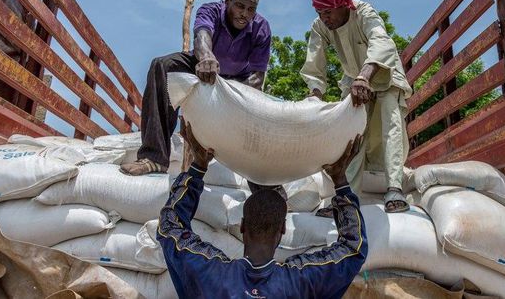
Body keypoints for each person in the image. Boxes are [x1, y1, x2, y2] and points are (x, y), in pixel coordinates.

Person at [157, 118, 368, 299]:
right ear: (283, 229)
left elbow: (170, 226)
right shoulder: (301, 281)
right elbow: (353, 247)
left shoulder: (209, 272)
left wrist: (197, 168)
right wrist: (340, 180)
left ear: (242, 226)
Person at [120, 0, 271, 181]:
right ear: (227, 2)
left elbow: (257, 78)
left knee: (262, 107)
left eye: (250, 9)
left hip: (236, 81)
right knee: (162, 65)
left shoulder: (261, 28)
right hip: (200, 65)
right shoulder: (210, 10)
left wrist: (228, 94)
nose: (244, 14)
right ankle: (154, 157)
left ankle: (259, 176)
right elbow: (202, 35)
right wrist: (207, 56)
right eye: (239, 6)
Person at [300, 0, 413, 214]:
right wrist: (315, 95)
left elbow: (381, 42)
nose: (324, 18)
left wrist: (365, 76)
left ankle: (394, 189)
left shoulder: (363, 12)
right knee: (351, 135)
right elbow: (314, 63)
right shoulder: (320, 26)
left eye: (328, 12)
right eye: (320, 13)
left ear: (344, 6)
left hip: (383, 75)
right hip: (354, 80)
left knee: (390, 126)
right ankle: (345, 198)